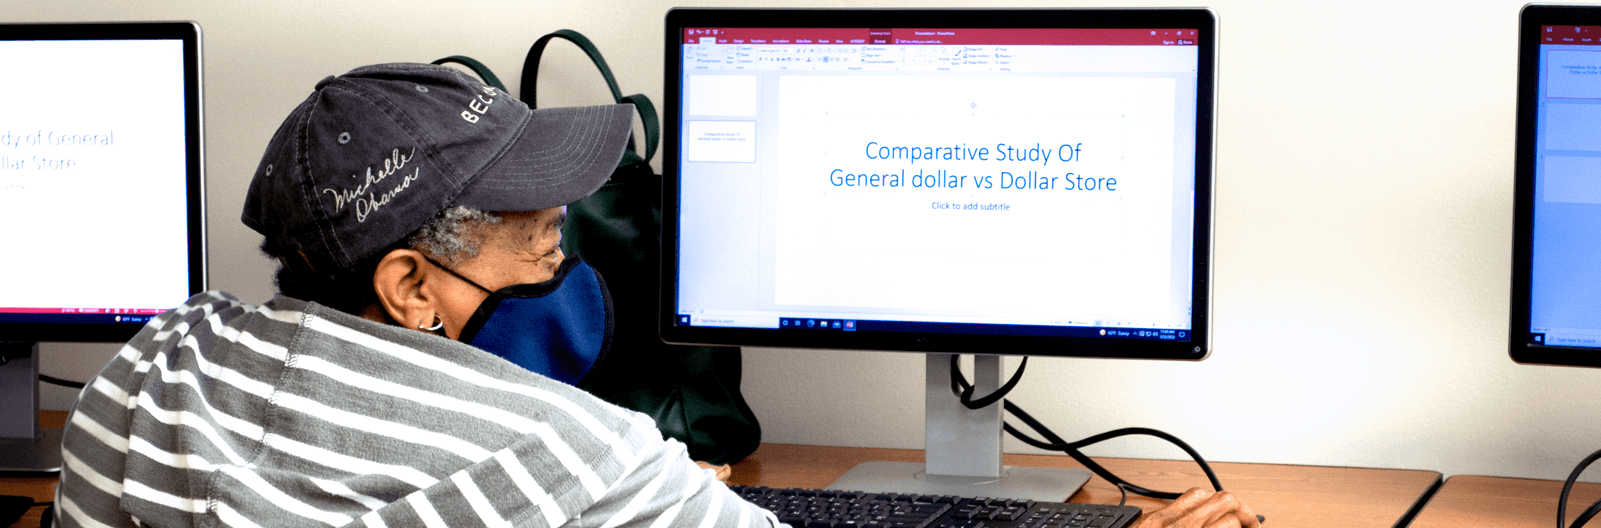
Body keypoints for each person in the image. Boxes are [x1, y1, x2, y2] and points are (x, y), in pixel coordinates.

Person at [54, 62, 1258, 528]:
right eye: (539, 241)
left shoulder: (149, 373)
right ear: (410, 284)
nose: (565, 263)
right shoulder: (564, 450)